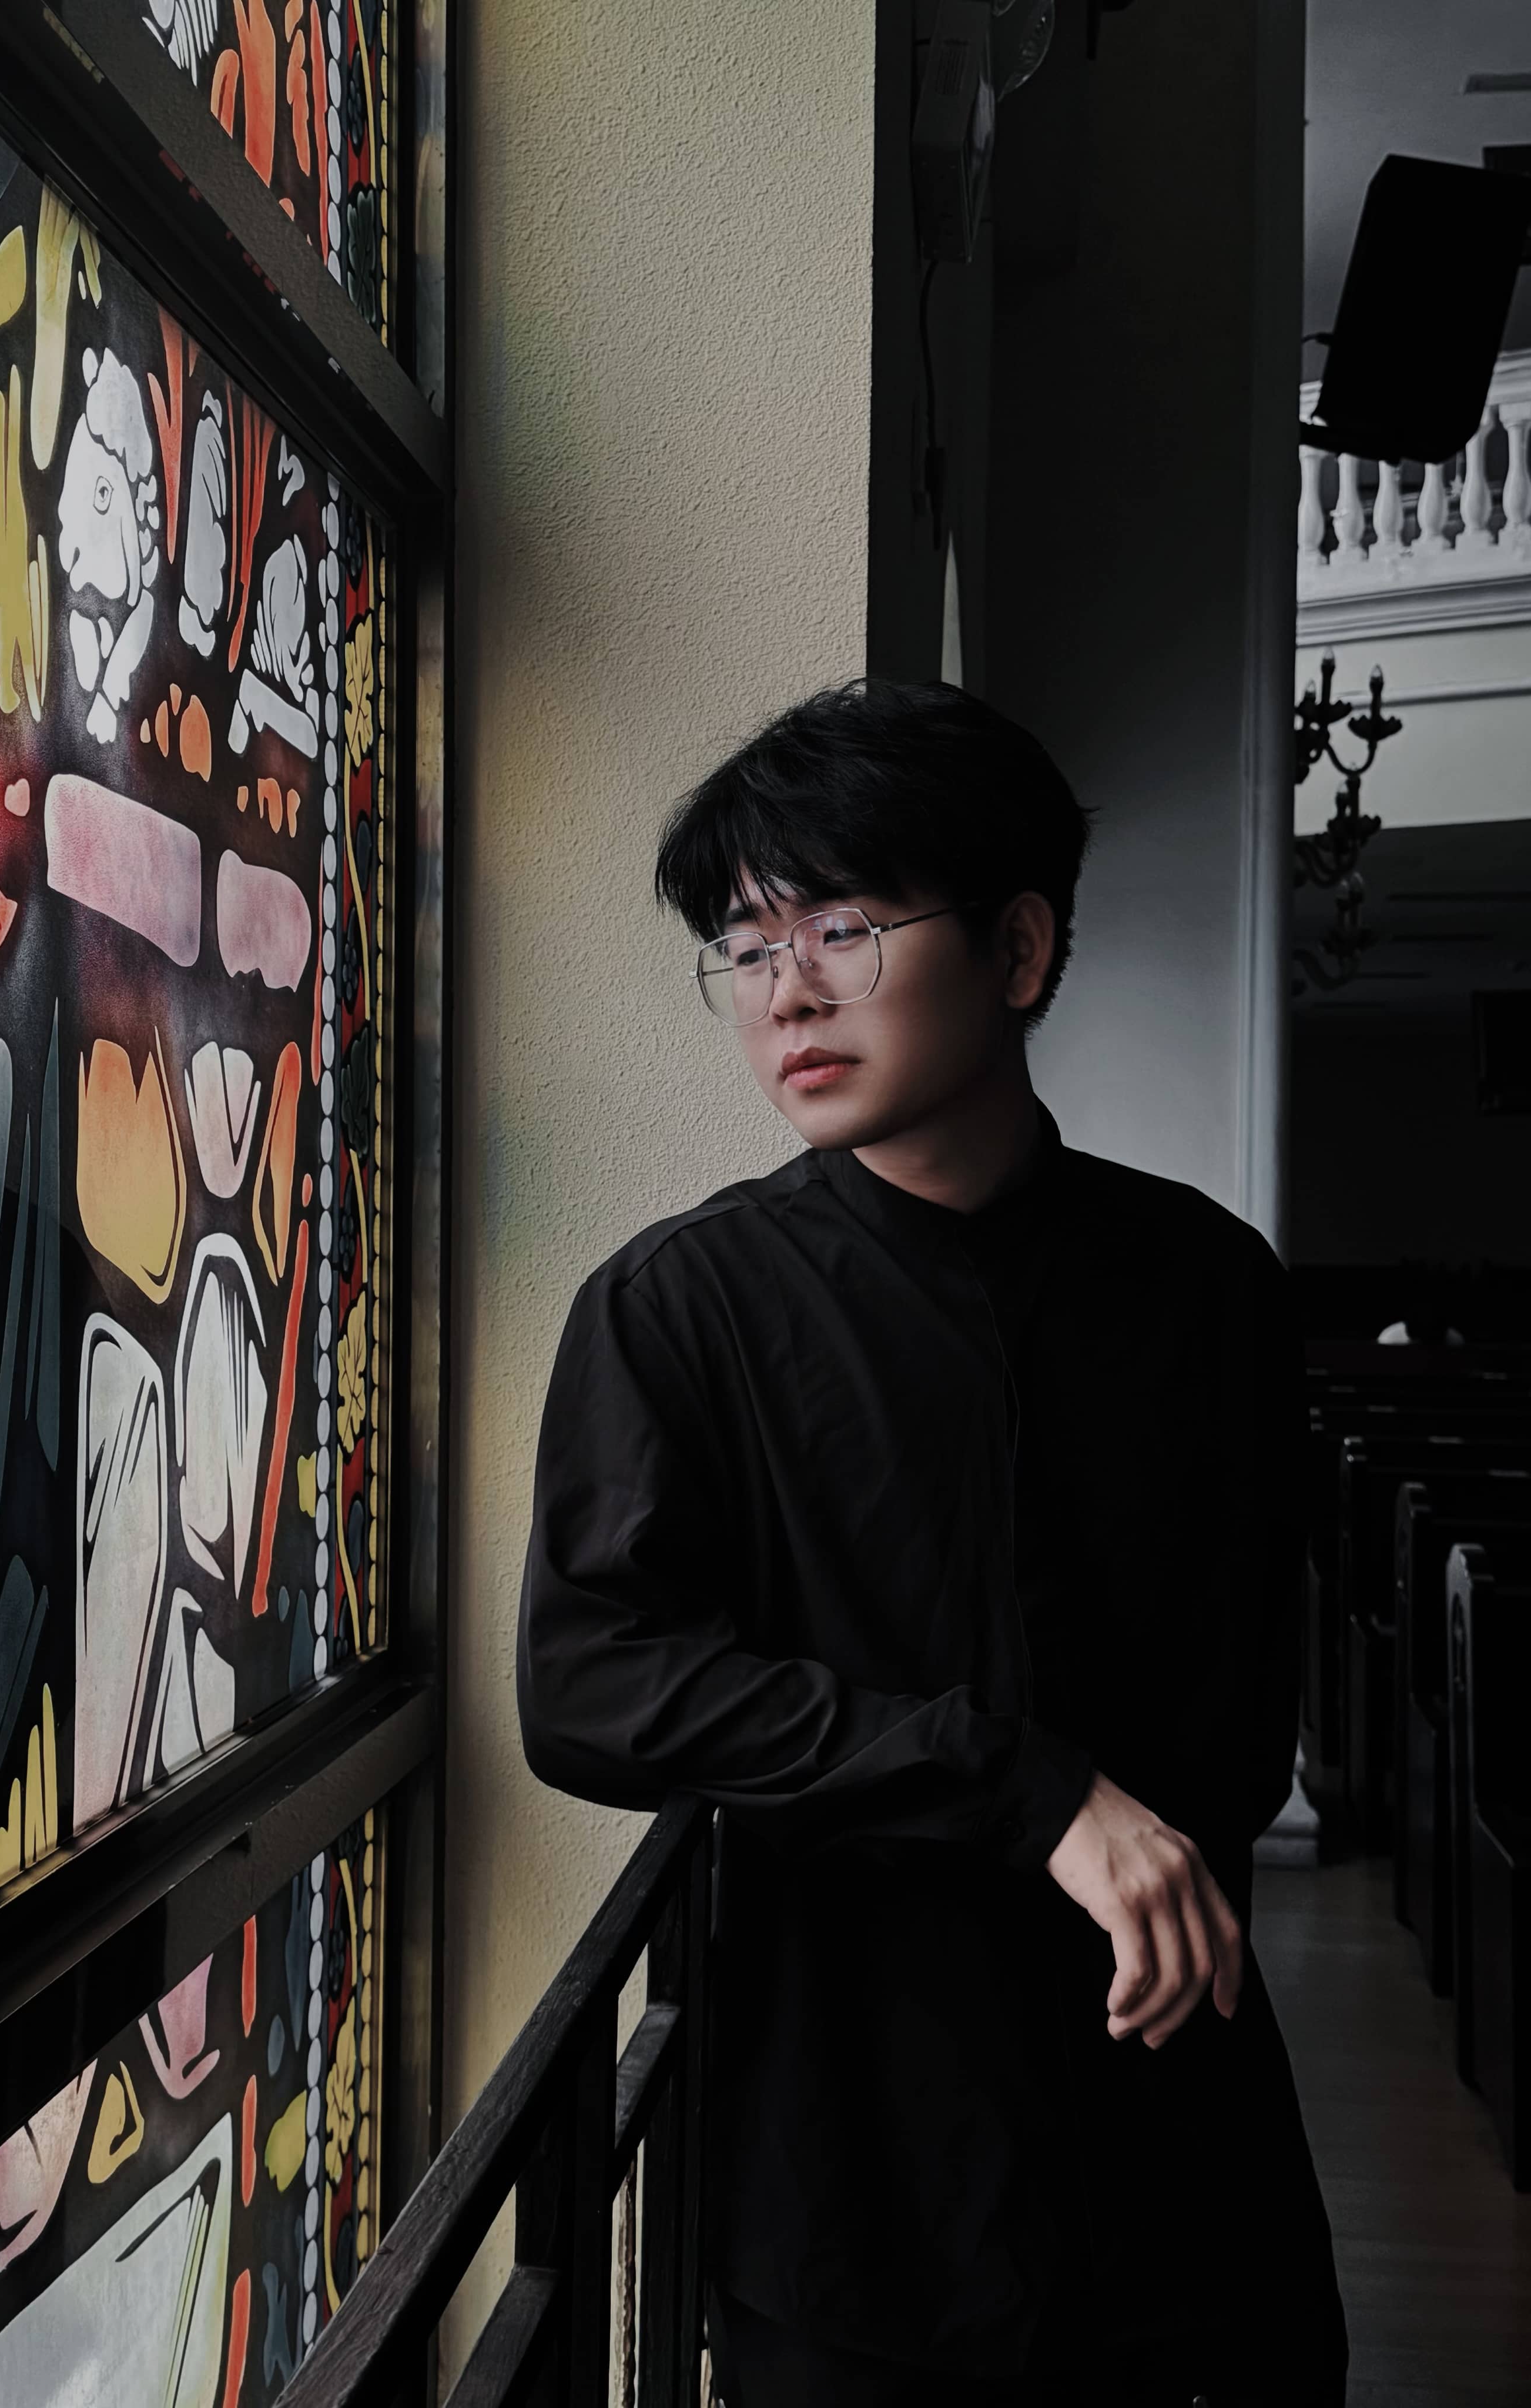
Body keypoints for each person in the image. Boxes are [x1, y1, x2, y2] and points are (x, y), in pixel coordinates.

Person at [515, 681, 1348, 2406]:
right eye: (747, 945)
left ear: (1018, 948)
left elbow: (1240, 1721)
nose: (785, 994)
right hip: (854, 2178)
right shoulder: (679, 1308)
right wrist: (1024, 1786)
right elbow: (588, 1684)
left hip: (1176, 2141)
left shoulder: (1214, 1291)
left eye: (842, 928)